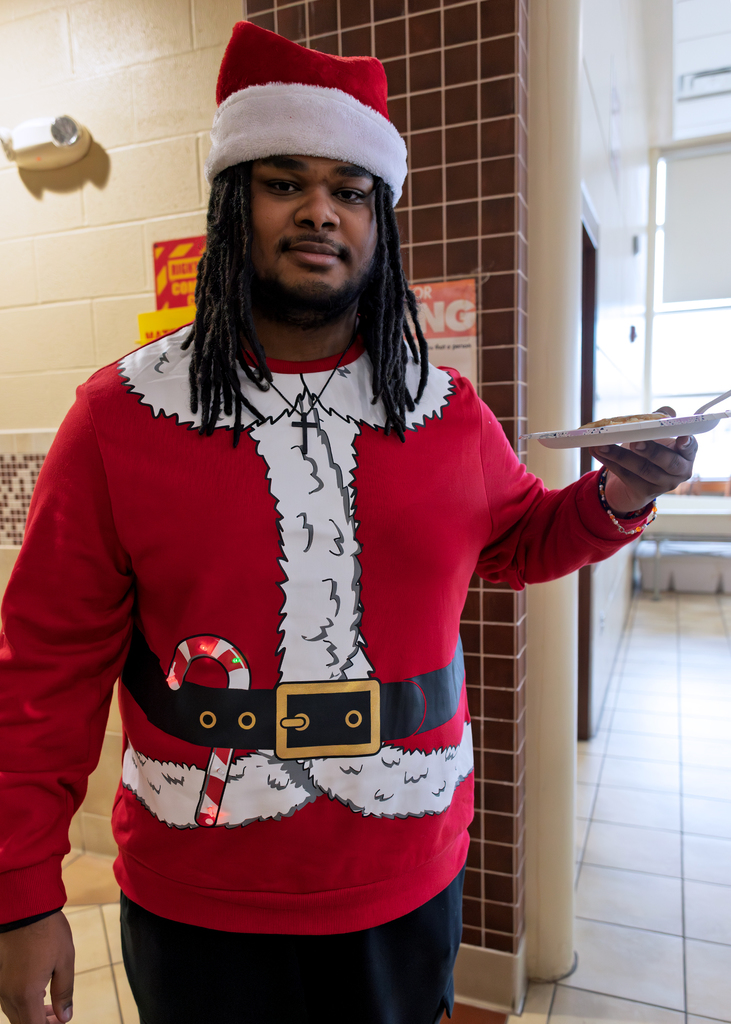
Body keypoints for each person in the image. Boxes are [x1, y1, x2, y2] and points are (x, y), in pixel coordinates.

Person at [0, 22, 696, 1024]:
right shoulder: (118, 419)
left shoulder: (442, 408)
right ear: (233, 202)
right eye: (284, 180)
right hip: (199, 891)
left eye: (351, 188)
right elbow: (43, 673)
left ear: (381, 217)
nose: (320, 210)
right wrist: (22, 891)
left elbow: (515, 541)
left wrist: (620, 493)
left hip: (404, 874)